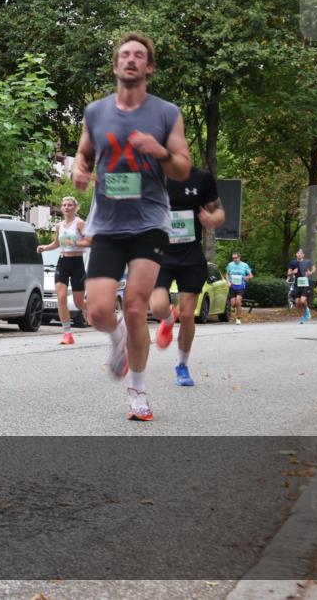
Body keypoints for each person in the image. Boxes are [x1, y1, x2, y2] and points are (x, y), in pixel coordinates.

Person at [73, 32, 191, 422]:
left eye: (139, 55)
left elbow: (183, 166)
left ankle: (138, 392)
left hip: (149, 221)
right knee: (98, 312)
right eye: (125, 55)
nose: (131, 60)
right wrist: (78, 170)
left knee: (137, 307)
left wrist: (159, 151)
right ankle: (117, 336)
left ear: (149, 67)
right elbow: (84, 154)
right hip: (107, 222)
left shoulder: (166, 113)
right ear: (115, 65)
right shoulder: (95, 112)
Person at [149, 166, 225, 386]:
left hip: (190, 256)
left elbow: (219, 211)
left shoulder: (201, 178)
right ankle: (168, 319)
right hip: (160, 254)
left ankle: (182, 365)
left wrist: (212, 219)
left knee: (188, 313)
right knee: (157, 307)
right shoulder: (154, 175)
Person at [37, 196, 91, 345]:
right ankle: (67, 333)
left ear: (75, 208)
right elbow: (56, 243)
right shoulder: (59, 226)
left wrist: (74, 242)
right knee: (61, 297)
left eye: (69, 205)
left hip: (77, 262)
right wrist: (45, 247)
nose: (66, 207)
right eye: (64, 205)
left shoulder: (80, 223)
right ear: (61, 208)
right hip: (63, 262)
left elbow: (90, 241)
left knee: (78, 303)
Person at [287, 248, 315, 324]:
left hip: (305, 283)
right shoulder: (293, 262)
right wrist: (293, 272)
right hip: (297, 284)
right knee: (297, 302)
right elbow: (288, 273)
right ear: (296, 254)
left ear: (303, 255)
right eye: (298, 253)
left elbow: (314, 268)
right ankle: (302, 317)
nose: (299, 254)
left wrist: (310, 272)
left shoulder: (307, 262)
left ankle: (307, 310)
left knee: (302, 300)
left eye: (301, 253)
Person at [225, 252, 253, 325]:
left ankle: (238, 318)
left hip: (241, 286)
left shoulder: (244, 265)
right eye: (233, 258)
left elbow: (251, 275)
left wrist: (247, 277)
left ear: (239, 257)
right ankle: (232, 307)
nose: (234, 259)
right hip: (232, 286)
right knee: (233, 303)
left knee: (238, 302)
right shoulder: (230, 264)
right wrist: (228, 282)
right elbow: (227, 274)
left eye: (236, 258)